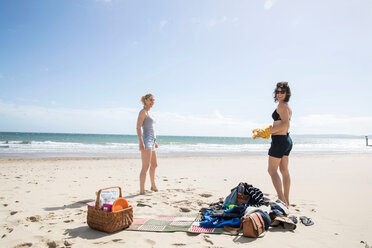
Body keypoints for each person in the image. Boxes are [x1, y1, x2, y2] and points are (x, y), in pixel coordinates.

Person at [267, 82, 293, 206]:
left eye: (282, 92)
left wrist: (267, 132)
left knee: (272, 170)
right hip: (286, 140)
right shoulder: (286, 106)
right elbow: (283, 124)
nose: (279, 94)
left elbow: (285, 124)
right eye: (277, 91)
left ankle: (282, 200)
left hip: (279, 141)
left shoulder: (282, 106)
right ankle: (286, 200)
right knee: (284, 170)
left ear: (287, 93)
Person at [136, 93, 158, 194]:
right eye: (150, 100)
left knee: (154, 164)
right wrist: (141, 142)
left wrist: (155, 141)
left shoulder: (150, 113)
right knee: (145, 167)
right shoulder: (143, 112)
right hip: (146, 140)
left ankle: (153, 186)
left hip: (152, 141)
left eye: (153, 100)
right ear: (145, 100)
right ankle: (141, 190)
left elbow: (152, 128)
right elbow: (138, 127)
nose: (152, 102)